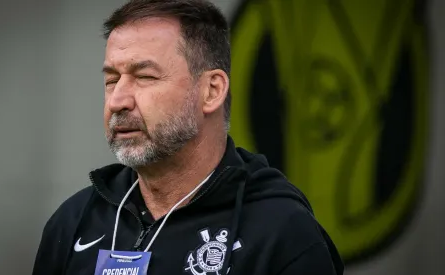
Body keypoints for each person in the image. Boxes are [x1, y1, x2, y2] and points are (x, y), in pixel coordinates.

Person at [32, 0, 344, 274]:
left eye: (144, 76)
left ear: (211, 91)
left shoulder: (281, 232)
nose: (117, 100)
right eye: (112, 79)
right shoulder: (75, 222)